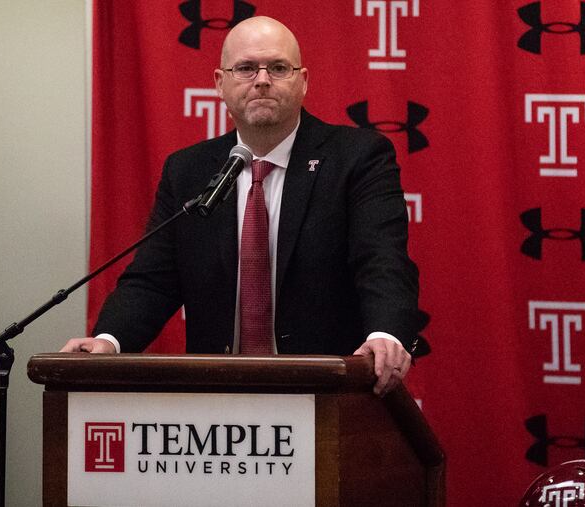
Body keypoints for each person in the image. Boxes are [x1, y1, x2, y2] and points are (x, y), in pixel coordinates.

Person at [61, 16, 427, 395]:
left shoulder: (356, 158)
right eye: (247, 68)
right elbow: (153, 280)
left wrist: (385, 333)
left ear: (304, 82)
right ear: (221, 83)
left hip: (328, 395)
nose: (263, 80)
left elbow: (382, 260)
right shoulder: (188, 170)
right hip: (217, 405)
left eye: (279, 68)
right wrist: (108, 341)